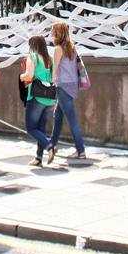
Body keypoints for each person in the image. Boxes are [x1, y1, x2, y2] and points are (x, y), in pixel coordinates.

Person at [49, 22, 87, 161]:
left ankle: (80, 150)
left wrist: (52, 82)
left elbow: (55, 68)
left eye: (53, 30)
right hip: (72, 84)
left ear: (57, 33)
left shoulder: (58, 49)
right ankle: (52, 145)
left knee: (71, 119)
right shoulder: (71, 47)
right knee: (57, 116)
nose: (51, 33)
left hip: (62, 85)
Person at [20, 34, 56, 167]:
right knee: (41, 129)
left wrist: (22, 76)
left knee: (31, 128)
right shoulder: (49, 60)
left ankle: (49, 146)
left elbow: (29, 75)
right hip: (49, 99)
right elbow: (53, 78)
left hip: (36, 97)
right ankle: (38, 158)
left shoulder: (33, 57)